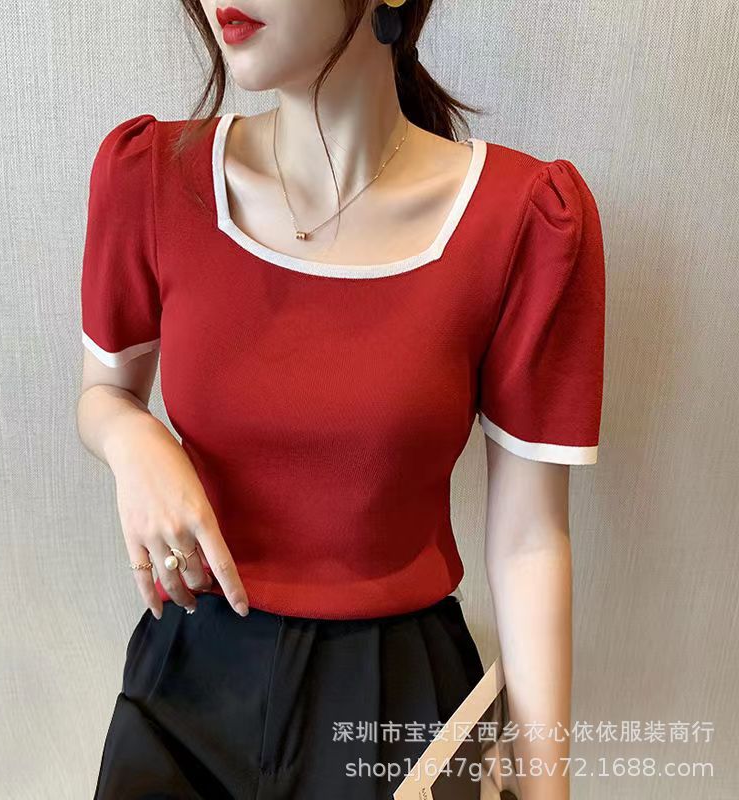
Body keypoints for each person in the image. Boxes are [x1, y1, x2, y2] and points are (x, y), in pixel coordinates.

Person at [76, 1, 605, 797]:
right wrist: (133, 438)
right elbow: (103, 395)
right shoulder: (152, 178)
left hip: (393, 705)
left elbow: (529, 539)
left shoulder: (522, 221)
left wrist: (544, 788)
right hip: (184, 686)